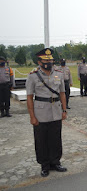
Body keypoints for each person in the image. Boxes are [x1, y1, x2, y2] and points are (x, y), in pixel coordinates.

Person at [25, 48, 68, 177]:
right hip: (41, 113)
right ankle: (44, 165)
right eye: (45, 60)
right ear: (39, 61)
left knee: (55, 139)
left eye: (50, 60)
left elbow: (62, 93)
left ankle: (56, 162)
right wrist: (32, 116)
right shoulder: (33, 76)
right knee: (41, 140)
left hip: (56, 111)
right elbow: (29, 97)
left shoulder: (59, 74)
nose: (49, 62)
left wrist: (64, 110)